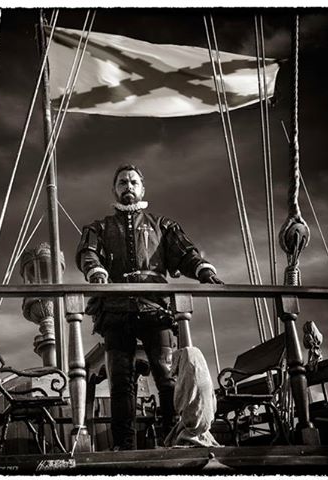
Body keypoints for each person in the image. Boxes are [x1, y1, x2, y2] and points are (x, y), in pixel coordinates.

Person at [76, 164, 223, 451]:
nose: (127, 186)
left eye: (133, 182)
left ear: (142, 189)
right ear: (115, 189)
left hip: (155, 309)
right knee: (120, 382)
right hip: (116, 311)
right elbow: (88, 252)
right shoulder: (99, 228)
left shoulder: (163, 226)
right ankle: (124, 447)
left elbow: (185, 254)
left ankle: (174, 439)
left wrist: (203, 271)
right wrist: (96, 271)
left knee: (167, 377)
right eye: (122, 182)